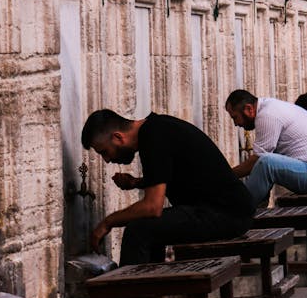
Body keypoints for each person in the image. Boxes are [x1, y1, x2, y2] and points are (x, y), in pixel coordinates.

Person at [81, 109, 255, 266]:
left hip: (226, 214)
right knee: (152, 229)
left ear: (118, 137)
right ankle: (147, 295)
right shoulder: (156, 128)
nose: (107, 160)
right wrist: (137, 183)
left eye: (104, 151)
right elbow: (175, 175)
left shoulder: (153, 137)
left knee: (138, 230)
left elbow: (152, 207)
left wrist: (107, 222)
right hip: (232, 210)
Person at [225, 90, 307, 206]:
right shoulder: (271, 107)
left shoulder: (267, 115)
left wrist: (226, 176)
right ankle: (256, 206)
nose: (236, 124)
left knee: (266, 163)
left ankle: (240, 210)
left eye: (235, 117)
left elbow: (257, 160)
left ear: (249, 109)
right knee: (264, 162)